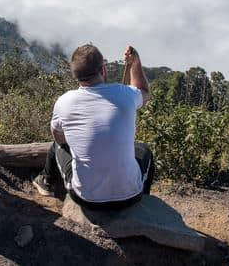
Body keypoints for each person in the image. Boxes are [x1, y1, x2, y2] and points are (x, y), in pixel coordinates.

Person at [32, 44, 154, 210]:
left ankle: (46, 181)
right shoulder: (125, 94)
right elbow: (144, 91)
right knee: (144, 151)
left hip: (86, 199)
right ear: (103, 69)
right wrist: (135, 63)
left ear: (76, 75)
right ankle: (143, 204)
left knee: (56, 147)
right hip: (130, 197)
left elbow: (59, 138)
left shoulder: (64, 102)